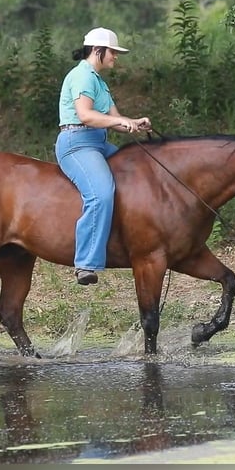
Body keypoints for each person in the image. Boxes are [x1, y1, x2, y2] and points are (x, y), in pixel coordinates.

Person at [55, 27, 151, 285]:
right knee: (101, 193)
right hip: (77, 143)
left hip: (98, 141)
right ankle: (85, 262)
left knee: (134, 175)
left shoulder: (99, 82)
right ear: (98, 51)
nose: (116, 57)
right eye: (113, 52)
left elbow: (114, 120)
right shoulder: (82, 76)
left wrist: (134, 123)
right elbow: (85, 115)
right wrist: (119, 121)